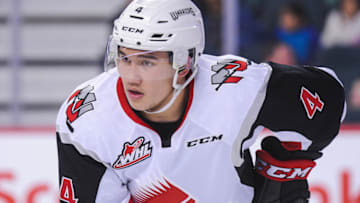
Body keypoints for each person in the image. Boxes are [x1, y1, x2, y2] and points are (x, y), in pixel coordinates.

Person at [56, 0, 346, 202]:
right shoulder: (87, 117)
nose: (130, 77)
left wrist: (285, 166)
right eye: (123, 57)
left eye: (146, 62)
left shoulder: (235, 88)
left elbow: (329, 98)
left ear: (185, 63)